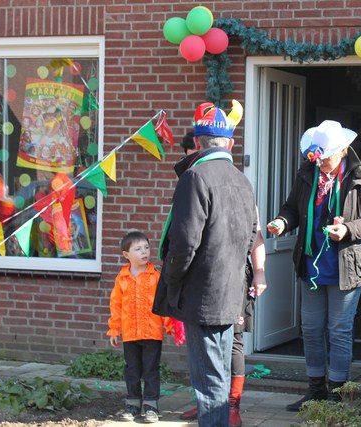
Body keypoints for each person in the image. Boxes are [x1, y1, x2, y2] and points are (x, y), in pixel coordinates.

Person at [266, 119, 361, 412]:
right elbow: (291, 208)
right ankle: (316, 391)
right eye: (317, 157)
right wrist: (282, 222)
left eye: (326, 157)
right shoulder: (307, 173)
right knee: (311, 329)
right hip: (312, 266)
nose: (320, 162)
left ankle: (338, 393)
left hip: (347, 267)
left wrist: (348, 229)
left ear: (342, 151)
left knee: (339, 330)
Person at [152, 100, 258, 426]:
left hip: (202, 296)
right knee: (219, 377)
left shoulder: (195, 177)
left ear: (197, 143)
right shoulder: (243, 180)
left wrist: (172, 278)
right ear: (230, 143)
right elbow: (250, 235)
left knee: (209, 383)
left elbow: (185, 243)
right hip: (230, 292)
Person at [107, 230, 185, 423]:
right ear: (126, 255)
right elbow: (116, 305)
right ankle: (133, 404)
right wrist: (114, 329)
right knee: (132, 369)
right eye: (138, 249)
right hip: (130, 333)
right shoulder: (122, 278)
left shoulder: (156, 276)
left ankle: (151, 406)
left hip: (152, 333)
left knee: (151, 370)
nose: (144, 252)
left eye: (146, 247)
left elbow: (163, 303)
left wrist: (170, 326)